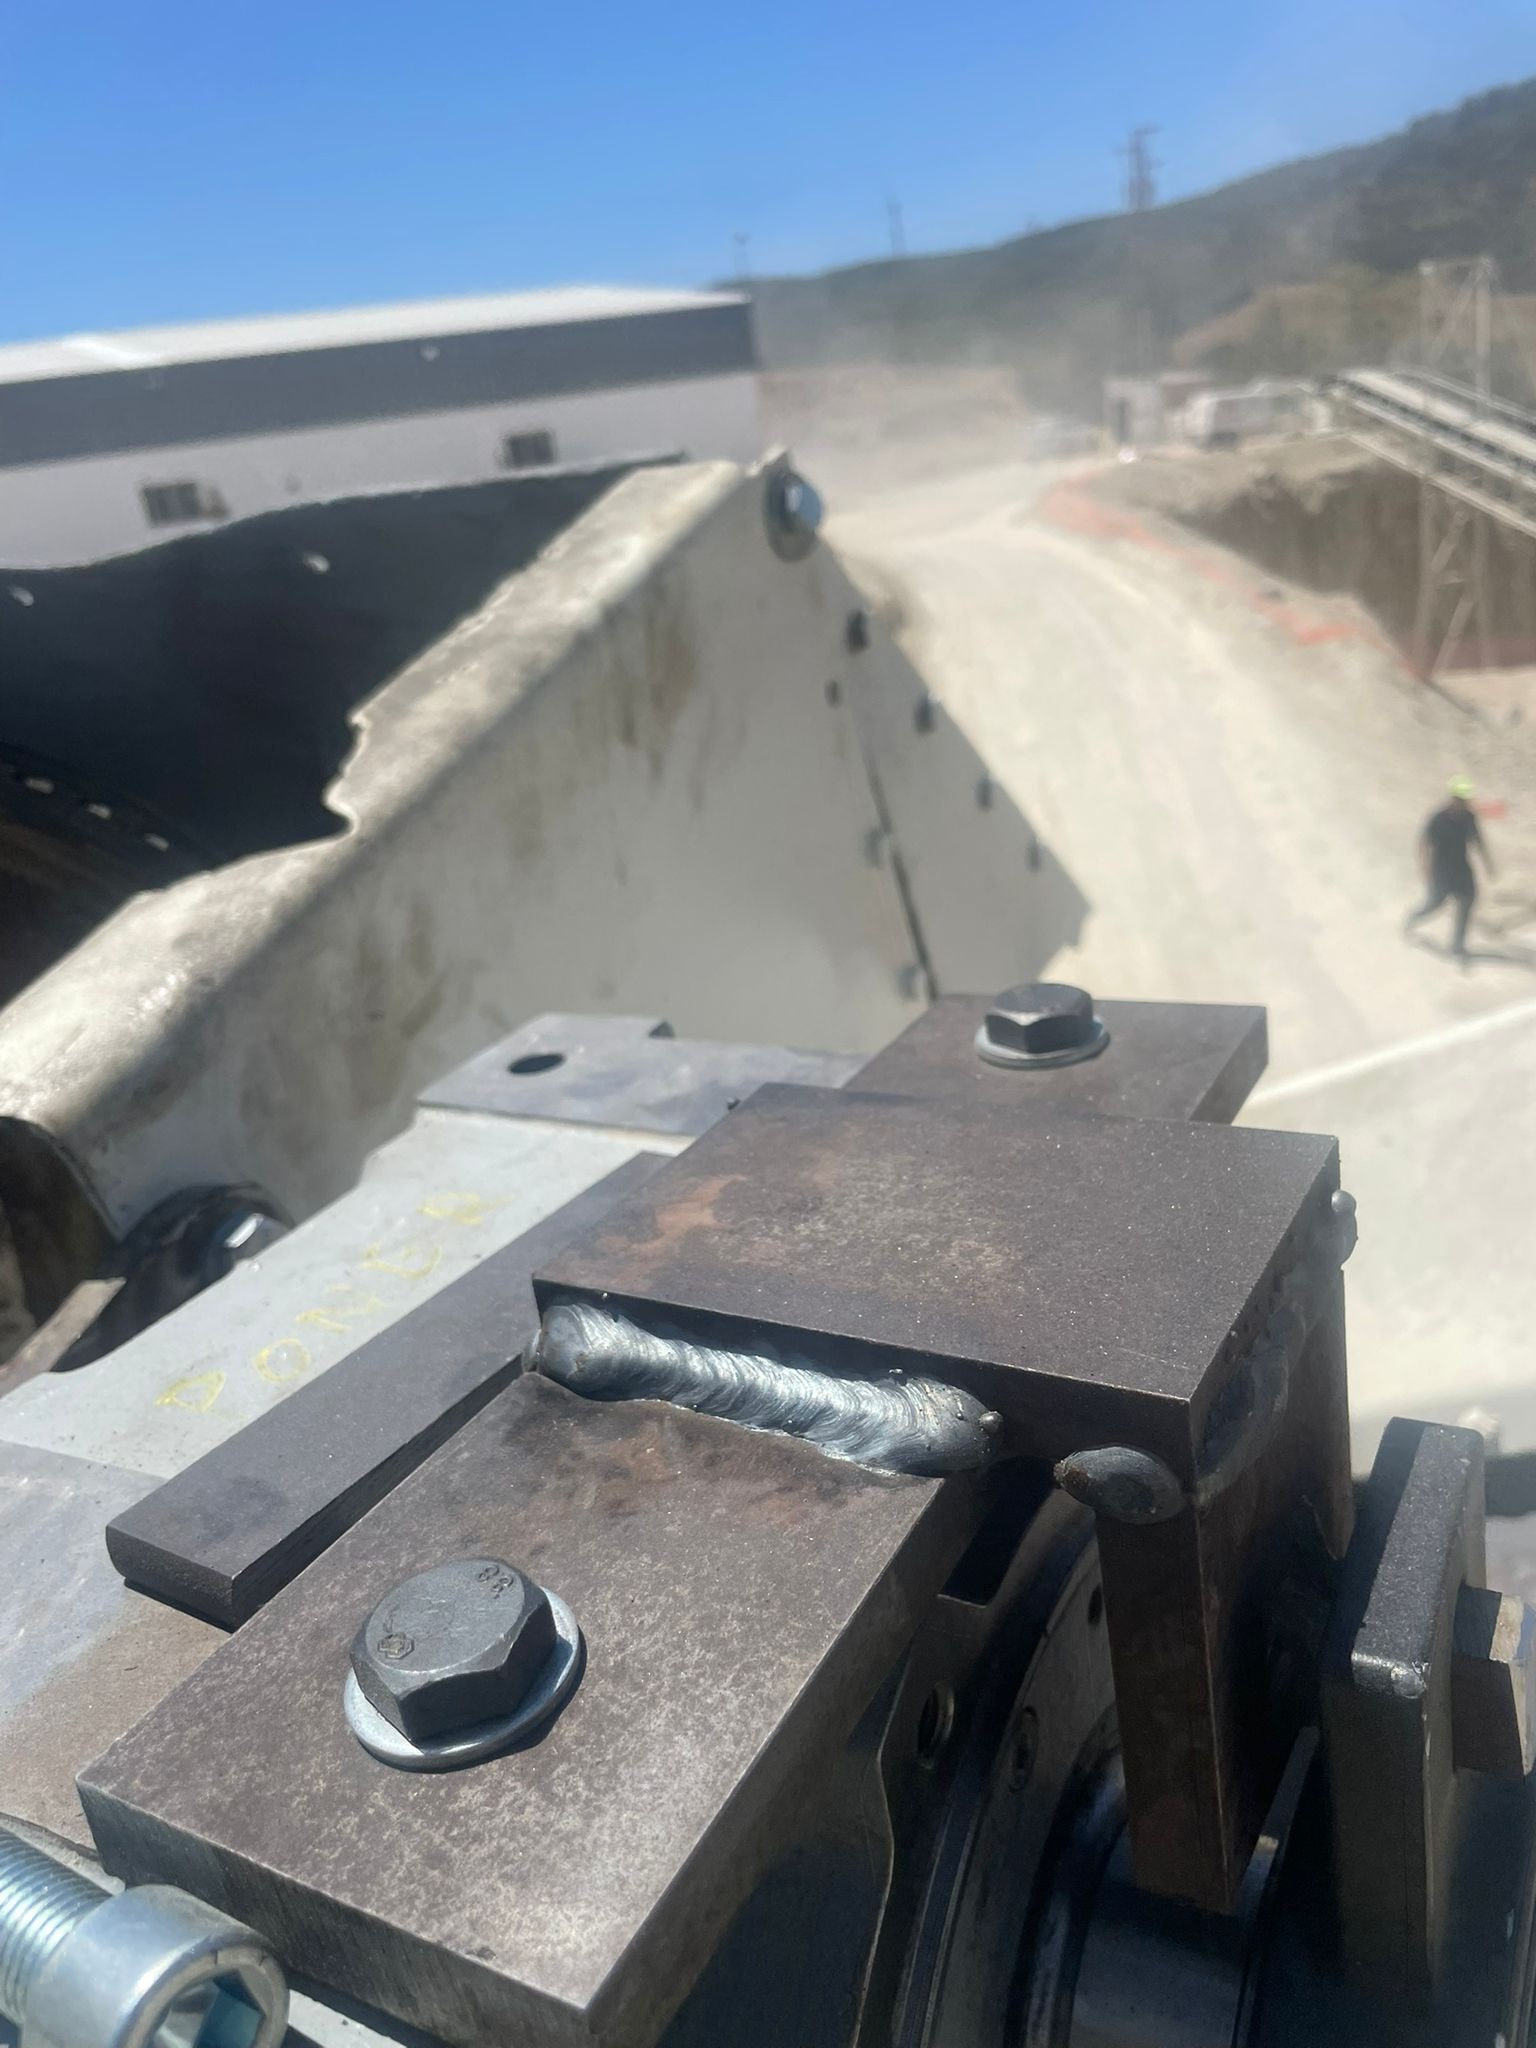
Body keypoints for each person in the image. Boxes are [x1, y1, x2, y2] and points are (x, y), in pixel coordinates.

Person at [1404, 777, 1495, 961]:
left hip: (1462, 869)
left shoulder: (1469, 817)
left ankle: (1457, 944)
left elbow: (1478, 841)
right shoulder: (1439, 818)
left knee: (1468, 901)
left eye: (1466, 800)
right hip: (1441, 871)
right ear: (1452, 798)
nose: (1463, 803)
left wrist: (1487, 864)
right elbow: (1424, 843)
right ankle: (1412, 919)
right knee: (1435, 903)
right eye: (1460, 799)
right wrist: (1425, 868)